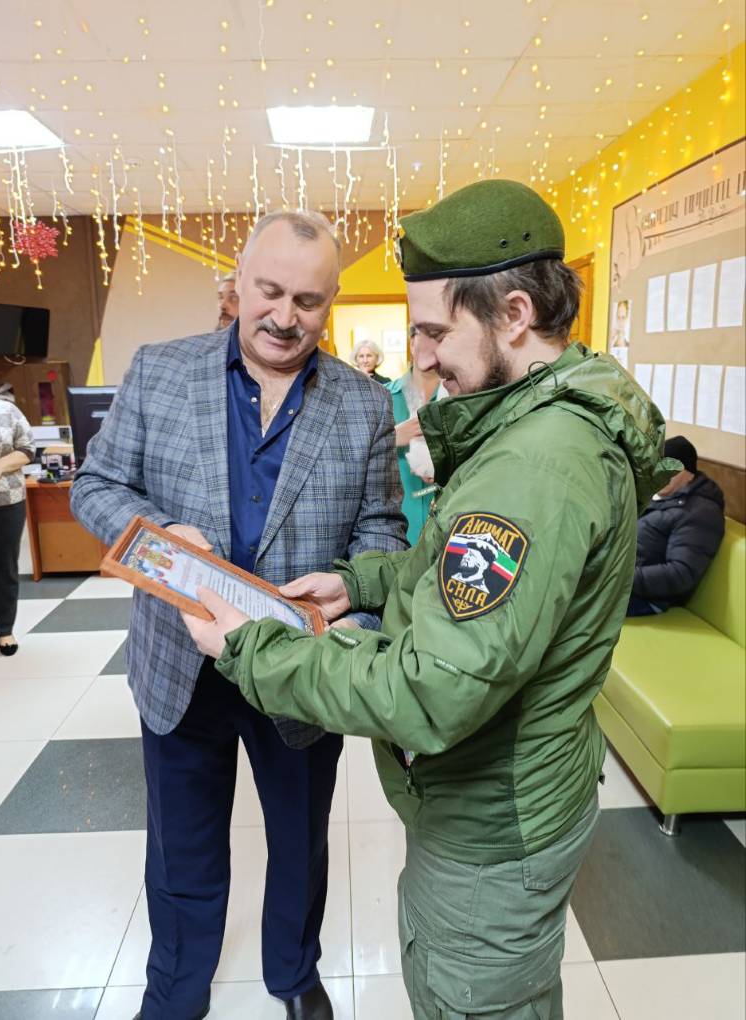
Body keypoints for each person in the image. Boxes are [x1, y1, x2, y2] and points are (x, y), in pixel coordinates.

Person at [182, 180, 675, 1020]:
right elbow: (464, 573)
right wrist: (363, 581)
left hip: (491, 825)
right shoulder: (538, 420)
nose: (423, 355)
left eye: (436, 331)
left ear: (514, 315)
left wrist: (249, 647)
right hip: (511, 798)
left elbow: (429, 690)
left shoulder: (533, 466)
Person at [71, 210, 407, 1020]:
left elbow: (383, 533)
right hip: (179, 666)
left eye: (308, 300)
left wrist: (349, 605)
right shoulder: (160, 371)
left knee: (300, 842)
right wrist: (157, 534)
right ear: (238, 281)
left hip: (299, 671)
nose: (285, 316)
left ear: (329, 303)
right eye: (269, 291)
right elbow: (96, 486)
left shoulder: (364, 404)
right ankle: (175, 992)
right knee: (181, 850)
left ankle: (293, 977)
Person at [0, 349, 35, 659]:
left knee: (5, 568)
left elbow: (27, 450)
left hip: (6, 502)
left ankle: (4, 630)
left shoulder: (7, 411)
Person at [628, 435, 725, 616]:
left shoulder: (700, 512)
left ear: (688, 472)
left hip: (645, 597)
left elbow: (681, 573)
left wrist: (621, 578)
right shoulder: (662, 496)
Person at [385, 335, 443, 544]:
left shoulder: (460, 399)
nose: (431, 345)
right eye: (424, 335)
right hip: (395, 525)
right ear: (411, 343)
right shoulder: (382, 397)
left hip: (446, 521)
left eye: (438, 336)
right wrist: (389, 438)